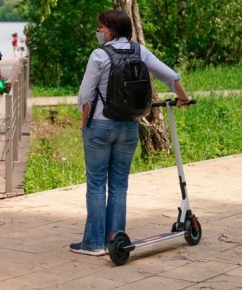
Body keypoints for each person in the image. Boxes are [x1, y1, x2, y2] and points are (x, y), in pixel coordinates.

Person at [72, 10, 192, 256]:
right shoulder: (140, 51)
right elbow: (171, 75)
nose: (99, 31)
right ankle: (116, 241)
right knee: (119, 185)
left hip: (100, 126)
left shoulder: (99, 55)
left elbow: (85, 95)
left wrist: (84, 122)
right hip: (128, 126)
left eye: (101, 27)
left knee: (96, 185)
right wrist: (184, 98)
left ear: (112, 29)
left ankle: (94, 244)